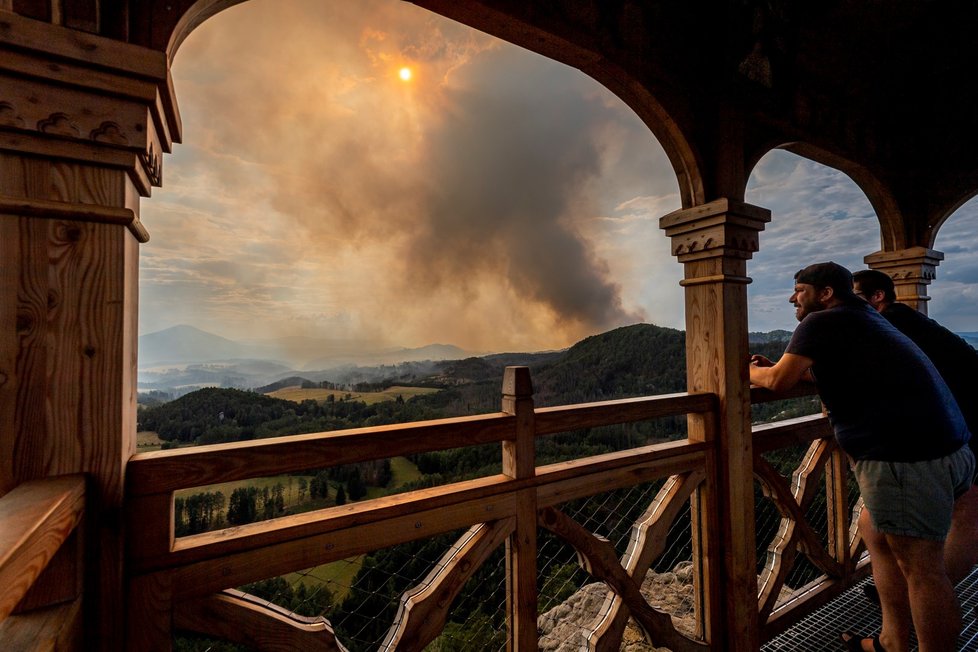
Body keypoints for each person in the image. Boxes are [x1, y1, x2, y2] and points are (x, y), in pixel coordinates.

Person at [749, 262, 973, 652]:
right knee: (875, 532)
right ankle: (892, 641)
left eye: (799, 290)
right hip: (950, 451)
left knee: (923, 572)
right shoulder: (868, 317)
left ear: (826, 293)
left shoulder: (821, 322)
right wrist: (792, 369)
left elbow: (778, 381)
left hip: (904, 461)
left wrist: (746, 371)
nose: (791, 298)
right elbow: (844, 370)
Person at [853, 268, 978, 590]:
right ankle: (925, 591)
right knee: (965, 508)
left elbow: (859, 370)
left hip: (959, 422)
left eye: (854, 296)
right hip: (957, 420)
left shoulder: (888, 322)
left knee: (965, 511)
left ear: (877, 296)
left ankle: (930, 594)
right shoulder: (907, 320)